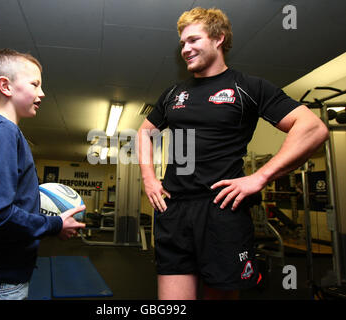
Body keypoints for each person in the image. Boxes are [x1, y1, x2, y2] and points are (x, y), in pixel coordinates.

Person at [138, 7, 329, 300]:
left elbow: (313, 128)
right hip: (173, 210)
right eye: (182, 44)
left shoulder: (248, 87)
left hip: (222, 210)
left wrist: (261, 177)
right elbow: (144, 132)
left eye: (193, 40)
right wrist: (149, 179)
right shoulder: (173, 92)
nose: (185, 49)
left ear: (218, 38)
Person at [0, 49, 86, 300]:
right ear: (5, 85)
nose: (42, 93)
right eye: (35, 84)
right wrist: (54, 224)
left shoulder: (2, 132)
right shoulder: (2, 132)